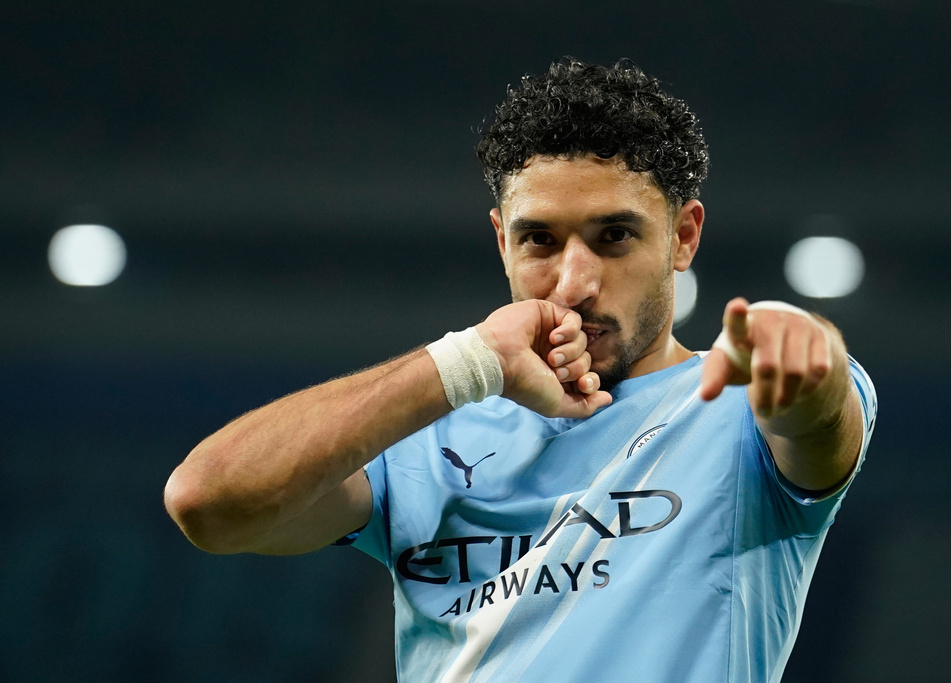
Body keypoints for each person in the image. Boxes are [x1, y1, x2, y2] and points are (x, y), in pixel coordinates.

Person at [164, 58, 877, 682]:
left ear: (683, 237)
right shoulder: (424, 435)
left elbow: (815, 418)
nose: (573, 282)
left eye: (614, 236)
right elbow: (208, 502)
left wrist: (807, 361)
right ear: (502, 238)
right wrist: (467, 362)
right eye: (539, 238)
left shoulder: (739, 409)